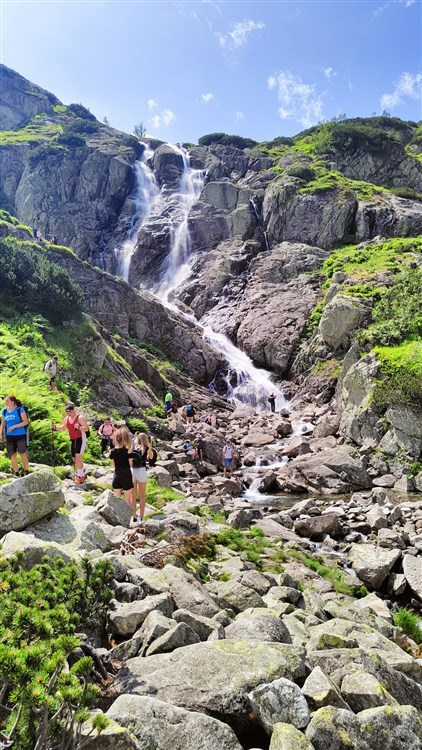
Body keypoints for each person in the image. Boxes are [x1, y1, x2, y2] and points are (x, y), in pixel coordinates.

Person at [52, 402, 88, 484]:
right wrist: (55, 427)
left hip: (80, 438)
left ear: (74, 410)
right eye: (67, 412)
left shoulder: (80, 418)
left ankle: (80, 476)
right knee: (74, 459)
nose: (69, 414)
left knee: (78, 457)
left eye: (70, 412)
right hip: (73, 439)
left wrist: (79, 427)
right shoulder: (66, 418)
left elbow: (86, 428)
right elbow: (63, 427)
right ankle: (81, 473)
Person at [0, 395, 29, 477]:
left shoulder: (20, 409)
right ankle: (16, 473)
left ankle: (26, 471)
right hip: (9, 436)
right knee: (12, 454)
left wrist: (15, 426)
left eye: (7, 401)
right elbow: (2, 424)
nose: (5, 402)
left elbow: (25, 422)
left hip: (20, 435)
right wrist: (0, 435)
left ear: (12, 402)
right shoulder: (5, 411)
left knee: (22, 453)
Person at [109, 426, 135, 517]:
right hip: (126, 474)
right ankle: (130, 518)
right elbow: (130, 464)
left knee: (116, 499)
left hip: (117, 474)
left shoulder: (111, 452)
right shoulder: (128, 451)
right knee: (127, 500)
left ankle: (117, 518)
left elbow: (113, 465)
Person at [130, 432, 154, 522]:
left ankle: (134, 516)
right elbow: (151, 457)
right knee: (142, 497)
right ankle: (142, 517)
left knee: (133, 496)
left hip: (132, 470)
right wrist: (150, 447)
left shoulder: (133, 448)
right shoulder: (146, 448)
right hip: (141, 471)